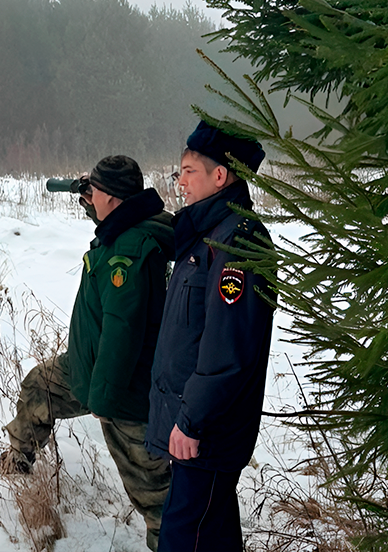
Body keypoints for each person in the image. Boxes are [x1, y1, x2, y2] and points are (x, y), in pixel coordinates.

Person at [1, 155, 174, 550]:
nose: (89, 199)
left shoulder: (126, 254)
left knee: (154, 492)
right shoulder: (138, 222)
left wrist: (103, 400)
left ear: (112, 198)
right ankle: (19, 461)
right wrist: (88, 194)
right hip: (85, 368)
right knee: (37, 387)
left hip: (121, 392)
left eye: (95, 192)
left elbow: (121, 333)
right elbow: (113, 219)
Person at [145, 120, 276, 552]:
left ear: (220, 175)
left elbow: (228, 351)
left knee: (185, 539)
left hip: (206, 434)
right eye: (178, 172)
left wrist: (191, 421)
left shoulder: (236, 245)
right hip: (196, 430)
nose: (179, 182)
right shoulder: (206, 237)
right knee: (211, 535)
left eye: (188, 171)